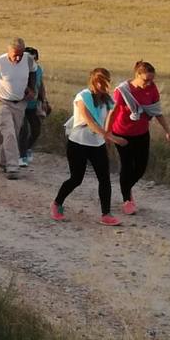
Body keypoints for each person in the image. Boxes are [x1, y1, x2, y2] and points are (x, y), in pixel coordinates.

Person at [51, 68, 127, 226]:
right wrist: (111, 137)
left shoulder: (107, 100)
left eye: (105, 81)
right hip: (78, 143)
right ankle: (57, 203)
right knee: (76, 178)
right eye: (100, 81)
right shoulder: (82, 97)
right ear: (93, 81)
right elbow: (91, 122)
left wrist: (108, 134)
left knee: (104, 179)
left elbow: (109, 118)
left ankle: (106, 214)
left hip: (97, 144)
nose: (102, 85)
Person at [108, 61, 170, 216]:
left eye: (151, 79)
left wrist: (167, 131)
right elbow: (113, 113)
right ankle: (127, 200)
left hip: (142, 133)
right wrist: (107, 134)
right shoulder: (123, 91)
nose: (149, 83)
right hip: (122, 133)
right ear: (137, 75)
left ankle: (126, 188)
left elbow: (156, 111)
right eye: (146, 80)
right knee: (127, 165)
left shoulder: (152, 88)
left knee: (141, 167)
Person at [0, 38, 38, 178]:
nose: (18, 58)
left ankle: (4, 162)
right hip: (1, 101)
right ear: (8, 51)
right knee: (9, 133)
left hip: (20, 102)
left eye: (20, 54)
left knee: (13, 134)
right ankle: (13, 167)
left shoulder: (29, 60)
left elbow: (33, 73)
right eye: (15, 55)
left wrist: (31, 88)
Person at [18, 47, 49, 165]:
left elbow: (40, 85)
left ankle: (27, 148)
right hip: (21, 103)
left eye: (34, 59)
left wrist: (44, 100)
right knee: (23, 130)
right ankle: (21, 156)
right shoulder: (20, 70)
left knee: (36, 130)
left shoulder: (39, 69)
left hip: (33, 104)